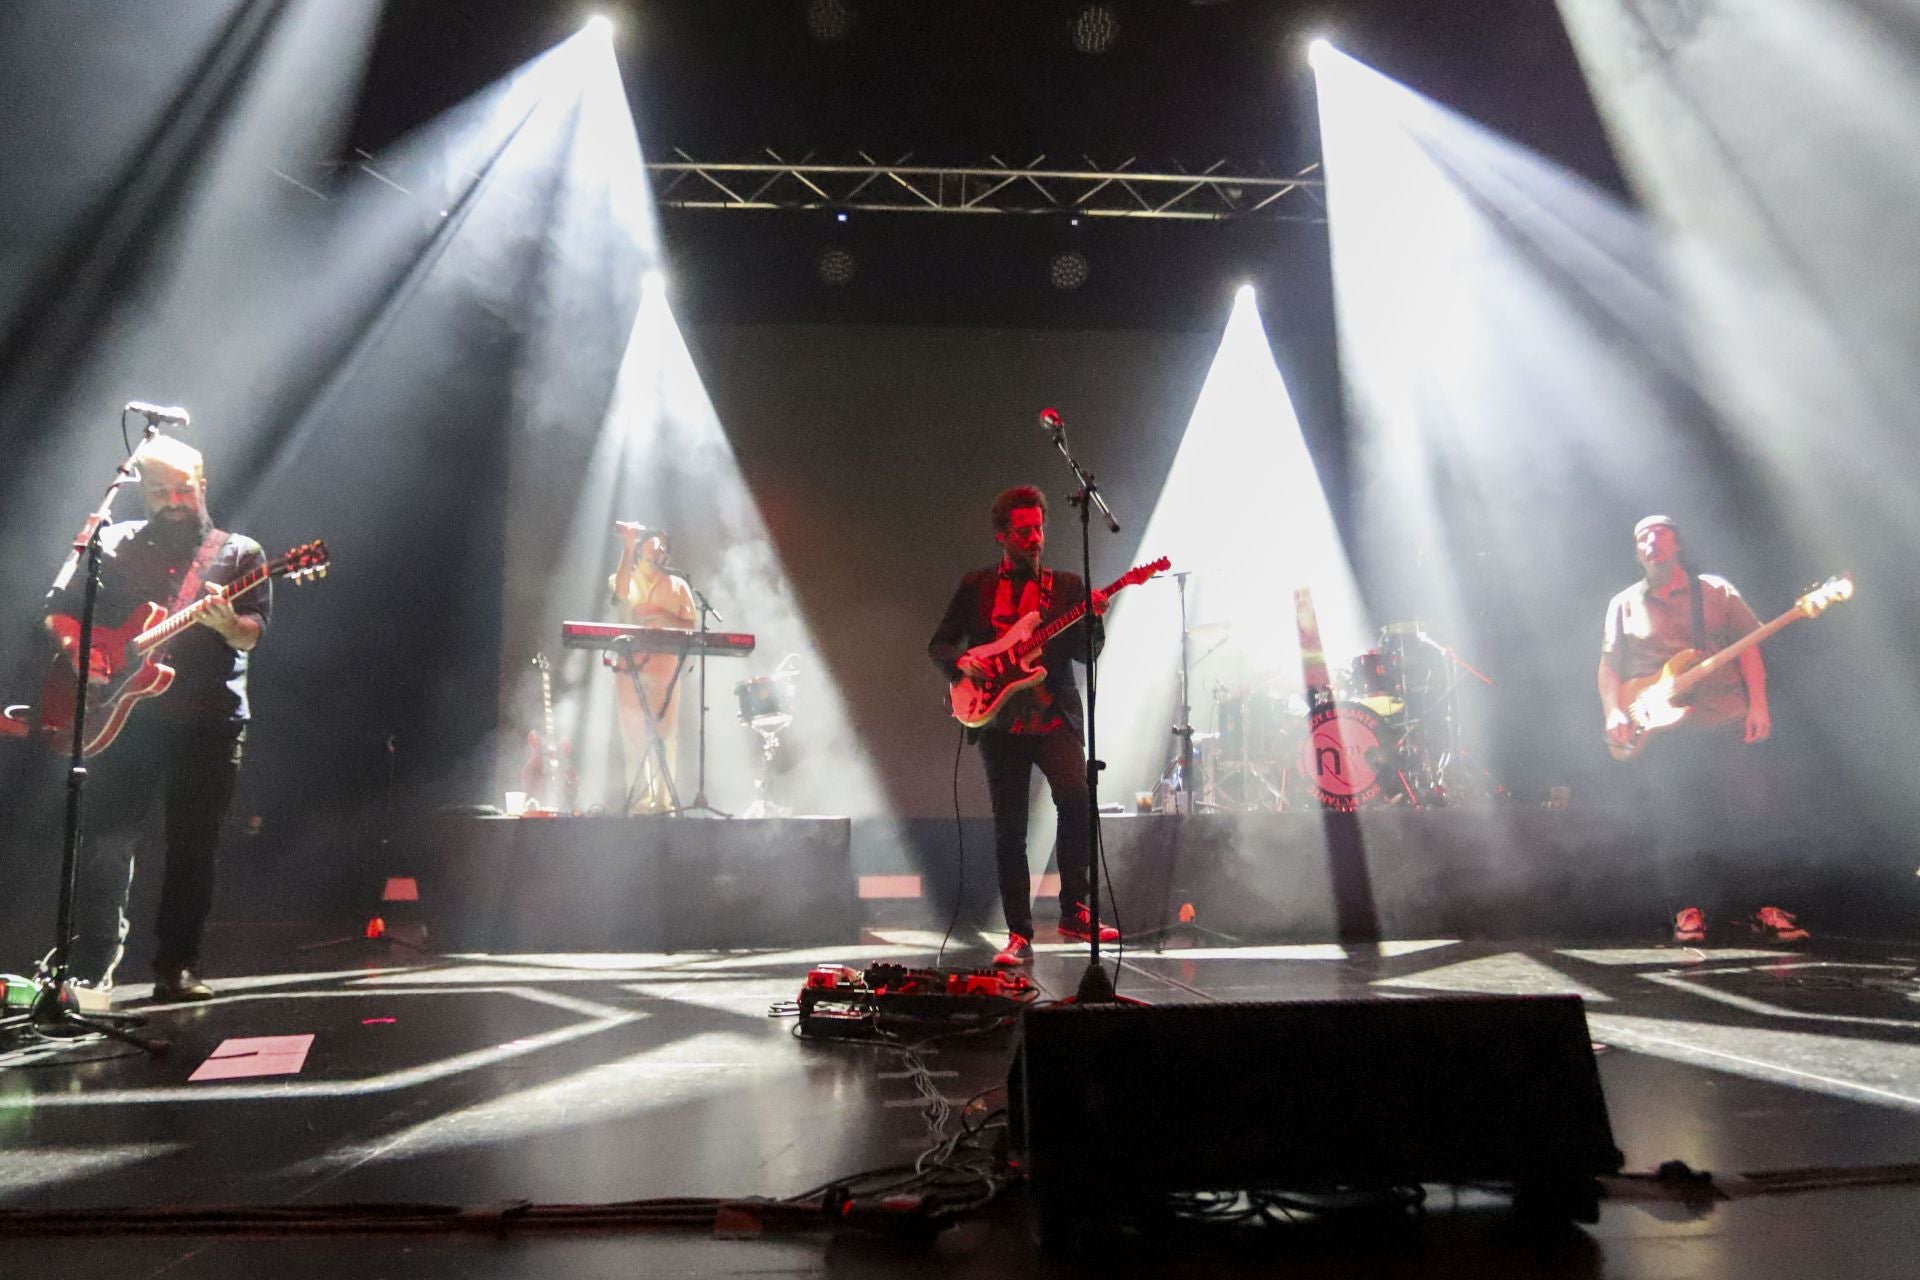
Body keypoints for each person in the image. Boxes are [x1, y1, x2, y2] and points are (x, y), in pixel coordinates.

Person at [45, 434, 270, 1001]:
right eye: (159, 491)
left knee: (193, 846)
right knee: (105, 842)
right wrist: (80, 651)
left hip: (209, 717)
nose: (173, 500)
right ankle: (92, 965)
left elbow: (252, 632)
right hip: (122, 717)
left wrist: (224, 624)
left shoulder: (239, 552)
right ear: (140, 491)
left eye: (183, 489)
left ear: (202, 484)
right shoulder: (111, 542)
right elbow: (61, 613)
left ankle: (178, 967)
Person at [928, 485, 1117, 966]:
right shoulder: (978, 585)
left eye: (1039, 528)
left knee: (1076, 796)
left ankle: (1075, 909)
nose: (1035, 538)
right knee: (1009, 828)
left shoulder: (1068, 587)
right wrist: (964, 666)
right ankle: (1019, 934)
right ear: (1002, 536)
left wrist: (1094, 622)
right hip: (998, 721)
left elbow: (1083, 654)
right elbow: (941, 645)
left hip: (1052, 712)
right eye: (1024, 530)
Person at [1597, 514, 1807, 945]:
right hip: (1662, 729)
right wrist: (1614, 712)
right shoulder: (1624, 603)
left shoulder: (1715, 591)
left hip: (1724, 715)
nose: (1650, 541)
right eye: (1641, 537)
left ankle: (1762, 908)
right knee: (1677, 820)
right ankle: (1687, 910)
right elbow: (1609, 666)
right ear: (1636, 552)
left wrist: (1759, 705)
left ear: (1677, 543)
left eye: (1659, 533)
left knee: (1748, 814)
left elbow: (1749, 650)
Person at [609, 521, 695, 814]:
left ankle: (663, 802)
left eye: (661, 545)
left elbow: (691, 624)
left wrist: (663, 618)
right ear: (642, 547)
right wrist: (628, 545)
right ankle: (640, 804)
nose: (657, 548)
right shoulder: (627, 578)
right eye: (652, 542)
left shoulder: (678, 585)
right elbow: (620, 594)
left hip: (666, 667)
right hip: (630, 665)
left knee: (666, 732)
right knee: (633, 732)